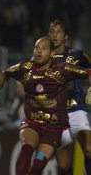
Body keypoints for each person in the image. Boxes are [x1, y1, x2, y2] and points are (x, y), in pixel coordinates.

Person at [3, 37, 91, 175]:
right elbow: (4, 74)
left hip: (53, 130)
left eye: (44, 49)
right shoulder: (24, 68)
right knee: (27, 149)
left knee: (39, 163)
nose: (39, 52)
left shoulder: (62, 69)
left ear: (51, 53)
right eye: (37, 48)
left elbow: (88, 72)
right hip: (32, 123)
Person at [49, 19, 91, 175]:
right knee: (64, 165)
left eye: (58, 31)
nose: (54, 34)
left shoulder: (76, 55)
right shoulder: (42, 56)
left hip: (76, 108)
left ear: (66, 36)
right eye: (52, 31)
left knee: (88, 149)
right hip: (54, 114)